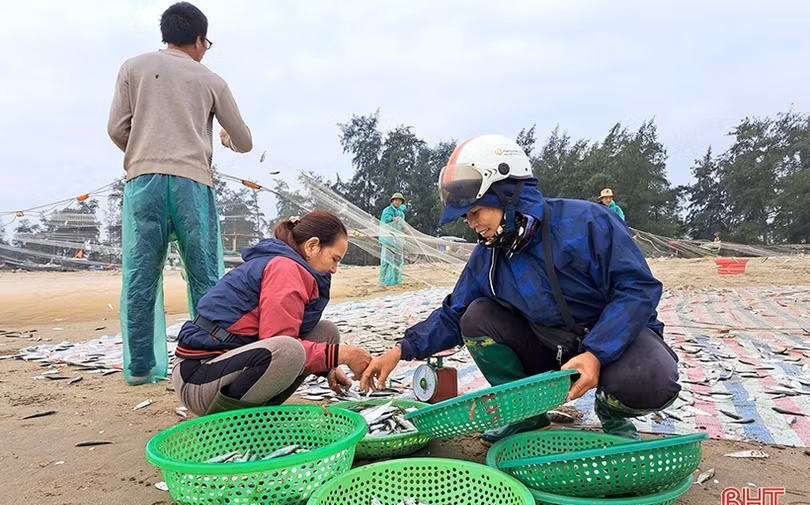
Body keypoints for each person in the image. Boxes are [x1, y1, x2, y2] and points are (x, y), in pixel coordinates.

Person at [361, 134, 680, 444]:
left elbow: (636, 289)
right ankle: (525, 415)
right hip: (547, 347)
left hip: (614, 342)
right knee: (475, 317)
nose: (471, 224)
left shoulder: (588, 223)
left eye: (475, 212)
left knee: (652, 379)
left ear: (508, 197)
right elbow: (452, 314)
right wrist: (400, 351)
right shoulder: (487, 255)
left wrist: (596, 353)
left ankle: (612, 412)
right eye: (466, 217)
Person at [107, 2, 253, 385]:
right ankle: (212, 359)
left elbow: (116, 128)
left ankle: (141, 367)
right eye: (207, 42)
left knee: (141, 277)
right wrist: (225, 141)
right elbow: (245, 140)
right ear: (200, 40)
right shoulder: (210, 79)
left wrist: (145, 152)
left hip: (144, 183)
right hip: (192, 183)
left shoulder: (132, 68)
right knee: (207, 277)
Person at [172, 211, 372, 416]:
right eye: (334, 259)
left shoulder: (290, 264)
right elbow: (279, 343)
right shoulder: (285, 268)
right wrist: (345, 354)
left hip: (226, 364)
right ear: (312, 246)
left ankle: (257, 412)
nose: (335, 269)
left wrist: (328, 367)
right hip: (198, 377)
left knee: (326, 332)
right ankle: (231, 423)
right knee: (289, 352)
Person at [378, 192, 407, 286]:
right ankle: (383, 281)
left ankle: (396, 280)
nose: (397, 202)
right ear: (392, 201)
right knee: (386, 260)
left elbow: (402, 226)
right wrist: (392, 219)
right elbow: (386, 219)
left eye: (399, 200)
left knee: (398, 261)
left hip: (398, 240)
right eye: (396, 200)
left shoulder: (401, 213)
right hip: (388, 239)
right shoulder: (387, 210)